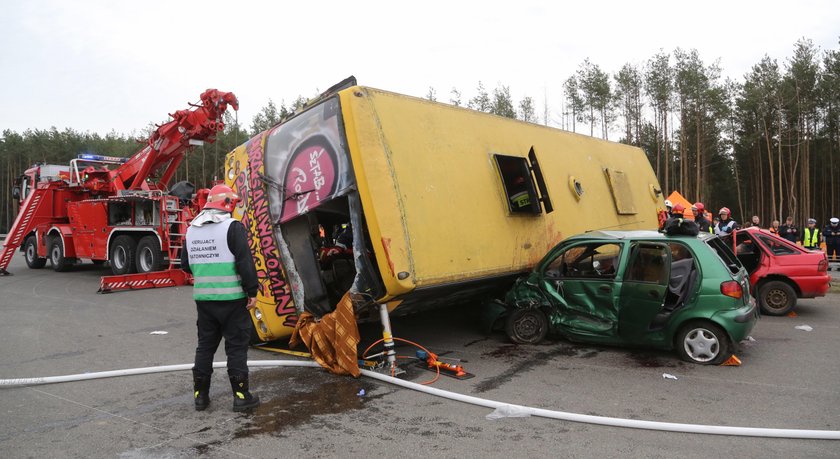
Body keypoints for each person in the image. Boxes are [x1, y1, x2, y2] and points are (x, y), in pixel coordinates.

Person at [182, 184, 260, 412]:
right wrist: (252, 291)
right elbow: (245, 263)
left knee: (205, 347)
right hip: (234, 300)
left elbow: (185, 265)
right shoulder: (232, 227)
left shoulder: (191, 229)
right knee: (236, 348)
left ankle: (200, 397)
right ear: (229, 203)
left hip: (204, 301)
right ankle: (241, 396)